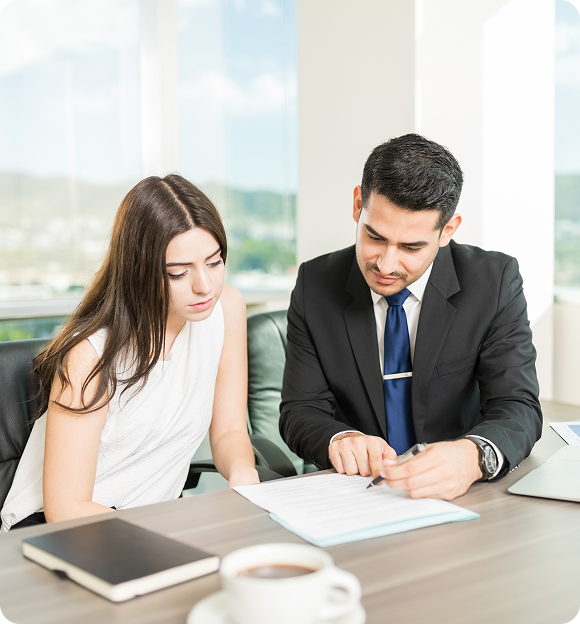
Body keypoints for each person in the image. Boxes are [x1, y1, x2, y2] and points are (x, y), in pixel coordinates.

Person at [280, 134, 542, 501]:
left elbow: (518, 405)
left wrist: (471, 456)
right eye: (374, 237)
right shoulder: (315, 284)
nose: (386, 265)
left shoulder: (493, 282)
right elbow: (300, 410)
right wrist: (340, 439)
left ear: (447, 231)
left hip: (463, 494)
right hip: (359, 495)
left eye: (411, 247)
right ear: (358, 204)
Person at [1, 174, 259, 532]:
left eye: (214, 262)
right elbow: (66, 507)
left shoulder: (227, 310)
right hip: (59, 530)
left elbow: (229, 430)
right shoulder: (89, 356)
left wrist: (244, 474)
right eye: (178, 273)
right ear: (139, 271)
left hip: (152, 523)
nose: (205, 286)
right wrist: (163, 537)